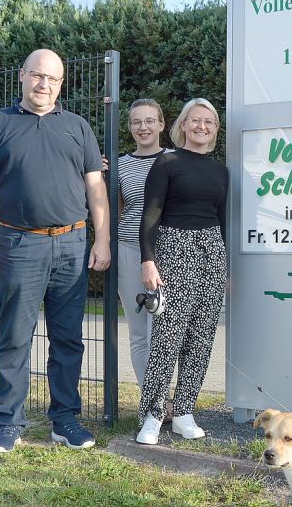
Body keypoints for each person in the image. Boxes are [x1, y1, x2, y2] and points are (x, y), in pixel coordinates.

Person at [0, 48, 110, 453]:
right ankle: (8, 424)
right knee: (14, 338)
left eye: (52, 78)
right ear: (22, 76)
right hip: (19, 244)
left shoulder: (78, 127)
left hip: (72, 244)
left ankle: (65, 420)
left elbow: (96, 187)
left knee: (68, 339)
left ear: (61, 84)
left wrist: (101, 239)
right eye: (37, 75)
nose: (43, 84)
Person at [135, 98, 228, 444]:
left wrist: (226, 269)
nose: (202, 126)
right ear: (183, 125)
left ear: (216, 130)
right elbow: (151, 214)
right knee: (167, 337)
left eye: (210, 122)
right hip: (174, 248)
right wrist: (148, 260)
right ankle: (153, 414)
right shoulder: (167, 161)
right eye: (196, 120)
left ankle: (184, 411)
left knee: (202, 336)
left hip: (212, 251)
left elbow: (223, 219)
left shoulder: (221, 171)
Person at [115, 99, 170, 387]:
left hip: (168, 252)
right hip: (128, 250)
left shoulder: (176, 159)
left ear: (161, 124)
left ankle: (164, 397)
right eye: (137, 122)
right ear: (130, 128)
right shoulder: (120, 166)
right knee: (139, 332)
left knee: (161, 331)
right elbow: (118, 209)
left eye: (150, 120)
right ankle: (151, 401)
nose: (143, 127)